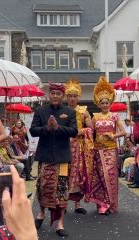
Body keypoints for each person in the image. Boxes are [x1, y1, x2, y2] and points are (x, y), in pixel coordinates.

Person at [30, 82, 78, 237]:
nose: (55, 96)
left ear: (62, 96)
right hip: (45, 156)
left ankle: (60, 223)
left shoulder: (69, 112)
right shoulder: (40, 111)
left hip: (63, 157)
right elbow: (33, 130)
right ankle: (41, 214)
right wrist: (47, 128)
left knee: (62, 191)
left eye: (58, 94)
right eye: (53, 93)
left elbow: (74, 131)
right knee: (43, 187)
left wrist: (58, 127)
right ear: (49, 95)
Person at [86, 76, 126, 215]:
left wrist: (113, 136)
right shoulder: (95, 117)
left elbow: (124, 132)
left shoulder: (114, 116)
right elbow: (90, 132)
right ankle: (102, 203)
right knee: (100, 176)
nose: (105, 104)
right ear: (98, 103)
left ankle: (111, 204)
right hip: (98, 151)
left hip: (111, 150)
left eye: (107, 102)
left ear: (110, 103)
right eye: (102, 102)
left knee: (110, 177)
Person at [65, 78, 94, 214]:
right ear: (66, 97)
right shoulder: (61, 110)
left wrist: (83, 130)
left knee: (79, 174)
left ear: (78, 97)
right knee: (64, 174)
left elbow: (91, 128)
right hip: (64, 146)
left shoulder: (84, 111)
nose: (72, 98)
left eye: (74, 96)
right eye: (69, 96)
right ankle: (62, 203)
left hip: (79, 147)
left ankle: (78, 204)